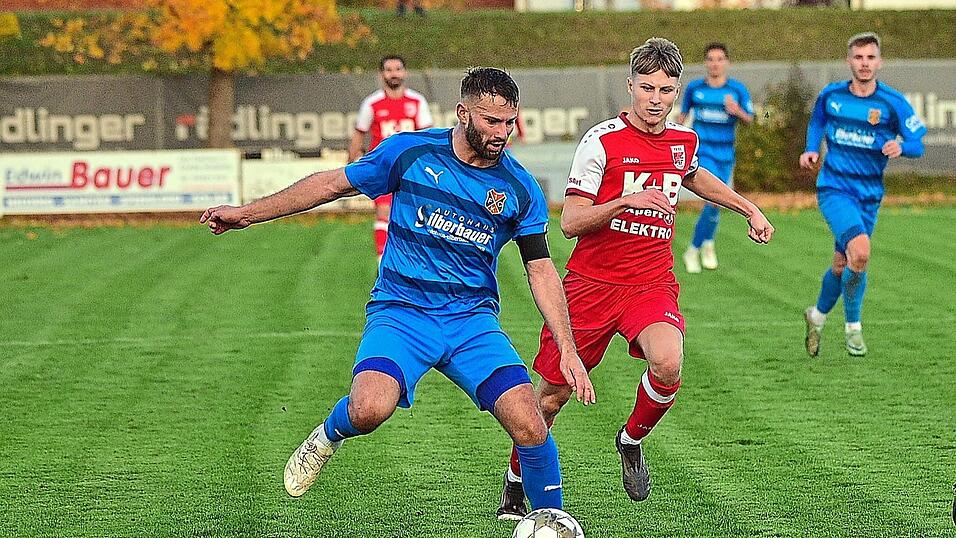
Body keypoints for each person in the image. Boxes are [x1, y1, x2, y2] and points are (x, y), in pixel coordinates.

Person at [201, 67, 596, 513]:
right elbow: (332, 184)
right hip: (402, 312)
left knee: (530, 424)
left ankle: (550, 519)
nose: (502, 133)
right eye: (491, 121)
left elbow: (541, 269)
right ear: (463, 113)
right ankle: (328, 434)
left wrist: (566, 346)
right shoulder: (411, 152)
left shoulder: (519, 187)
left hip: (471, 323)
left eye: (509, 122)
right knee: (369, 409)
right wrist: (248, 214)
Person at [496, 38, 775, 519]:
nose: (655, 98)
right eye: (646, 87)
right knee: (550, 399)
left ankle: (630, 440)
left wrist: (747, 208)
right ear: (630, 87)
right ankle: (516, 482)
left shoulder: (683, 140)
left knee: (668, 362)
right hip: (590, 286)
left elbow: (691, 174)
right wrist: (625, 201)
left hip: (651, 282)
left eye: (666, 90)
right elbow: (571, 221)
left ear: (676, 92)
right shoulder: (601, 141)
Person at [800, 32, 925, 357]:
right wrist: (811, 149)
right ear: (849, 61)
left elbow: (918, 142)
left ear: (879, 61)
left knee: (842, 264)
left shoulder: (892, 102)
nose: (865, 63)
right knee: (861, 252)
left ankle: (816, 315)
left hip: (869, 195)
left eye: (870, 57)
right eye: (859, 57)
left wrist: (902, 146)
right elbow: (817, 122)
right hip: (835, 188)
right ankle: (853, 329)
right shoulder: (832, 95)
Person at [677, 42, 754, 273]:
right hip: (703, 152)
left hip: (726, 153)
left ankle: (706, 243)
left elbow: (751, 118)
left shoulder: (737, 90)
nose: (715, 64)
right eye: (711, 59)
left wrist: (736, 111)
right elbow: (683, 115)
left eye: (719, 59)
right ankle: (693, 249)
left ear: (727, 63)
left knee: (718, 202)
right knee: (712, 199)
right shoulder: (695, 89)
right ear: (705, 63)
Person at [349, 54, 433, 264]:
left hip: (411, 169)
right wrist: (352, 166)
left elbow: (426, 136)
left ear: (404, 73)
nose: (393, 74)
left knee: (416, 215)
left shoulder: (417, 101)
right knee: (384, 211)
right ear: (381, 74)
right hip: (383, 169)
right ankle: (382, 263)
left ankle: (413, 262)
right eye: (389, 69)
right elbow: (359, 134)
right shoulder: (372, 103)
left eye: (397, 69)